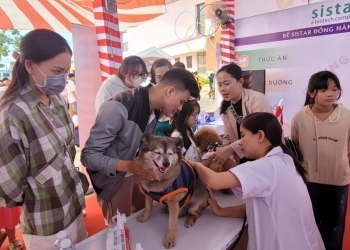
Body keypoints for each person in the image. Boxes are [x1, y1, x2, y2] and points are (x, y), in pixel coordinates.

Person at [0, 29, 87, 250]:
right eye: (57, 70)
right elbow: (10, 190)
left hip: (74, 207)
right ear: (30, 66)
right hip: (46, 223)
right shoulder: (13, 114)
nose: (62, 79)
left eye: (66, 72)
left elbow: (68, 150)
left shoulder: (55, 100)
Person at [81, 68, 200, 225]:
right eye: (182, 102)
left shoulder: (154, 110)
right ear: (170, 91)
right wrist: (128, 166)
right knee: (120, 229)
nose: (180, 108)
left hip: (139, 175)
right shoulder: (118, 107)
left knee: (142, 222)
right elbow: (88, 156)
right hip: (113, 181)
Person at [191, 112, 325, 250]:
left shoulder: (267, 167)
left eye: (243, 135)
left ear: (260, 135)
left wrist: (196, 164)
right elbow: (260, 206)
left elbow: (214, 181)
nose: (240, 142)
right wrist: (221, 211)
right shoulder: (285, 159)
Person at [291, 70, 350, 250]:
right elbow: (294, 150)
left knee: (334, 226)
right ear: (311, 93)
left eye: (335, 89)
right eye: (324, 90)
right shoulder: (300, 117)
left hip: (338, 181)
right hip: (309, 182)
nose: (331, 94)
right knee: (309, 224)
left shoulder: (347, 116)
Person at [212, 63, 273, 165]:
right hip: (243, 159)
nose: (222, 89)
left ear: (240, 82)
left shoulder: (257, 99)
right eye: (219, 84)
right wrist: (222, 153)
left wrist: (230, 149)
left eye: (226, 84)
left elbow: (261, 134)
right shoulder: (226, 108)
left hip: (265, 158)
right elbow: (227, 137)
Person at [150, 58, 173, 136]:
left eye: (167, 75)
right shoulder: (150, 98)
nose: (164, 80)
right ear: (154, 78)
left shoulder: (180, 95)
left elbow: (191, 125)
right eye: (159, 77)